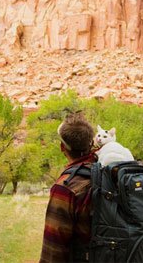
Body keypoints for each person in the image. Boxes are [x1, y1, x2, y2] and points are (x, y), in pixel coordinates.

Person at [39, 112, 96, 263]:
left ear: (62, 147)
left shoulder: (65, 188)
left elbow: (53, 248)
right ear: (91, 144)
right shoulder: (109, 171)